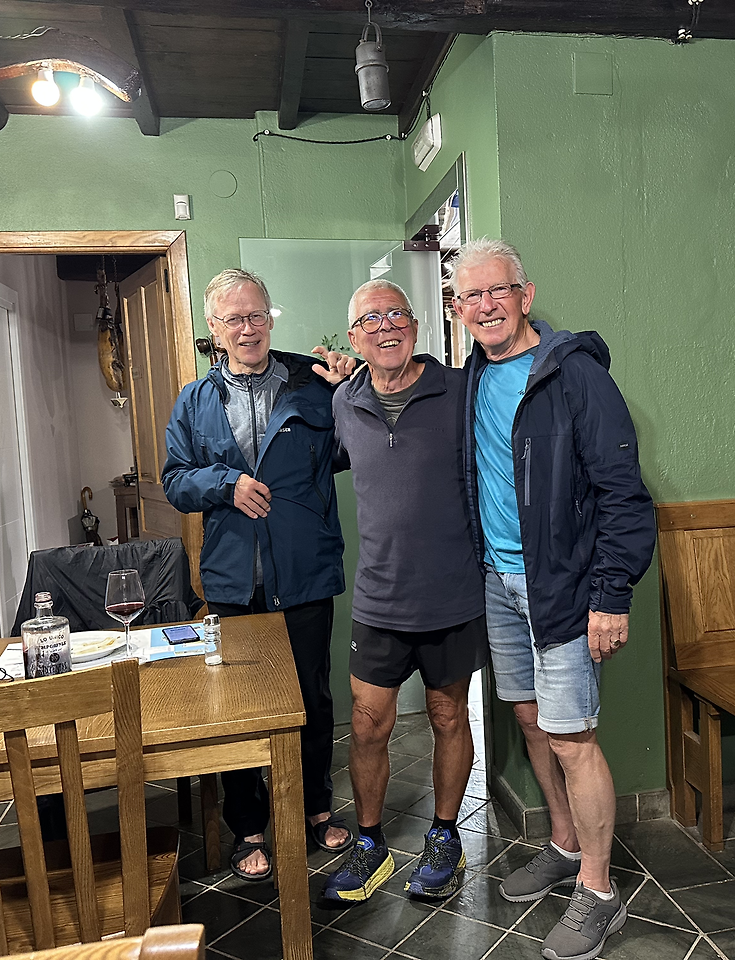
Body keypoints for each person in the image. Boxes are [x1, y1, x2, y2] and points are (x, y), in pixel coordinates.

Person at [452, 239, 656, 960]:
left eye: (497, 291)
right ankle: (565, 845)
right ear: (458, 308)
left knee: (573, 738)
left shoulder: (574, 374)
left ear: (525, 295)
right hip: (498, 583)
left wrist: (611, 595)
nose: (486, 306)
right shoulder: (472, 378)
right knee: (532, 721)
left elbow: (624, 493)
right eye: (471, 296)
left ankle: (598, 891)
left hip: (564, 589)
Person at [162, 268, 357, 882]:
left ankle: (315, 807)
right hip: (233, 580)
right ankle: (247, 825)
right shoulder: (194, 400)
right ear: (213, 328)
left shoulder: (314, 382)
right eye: (233, 319)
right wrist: (225, 484)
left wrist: (353, 388)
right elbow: (174, 480)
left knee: (312, 698)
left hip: (304, 572)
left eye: (256, 316)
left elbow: (352, 449)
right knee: (237, 707)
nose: (247, 329)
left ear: (270, 318)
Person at [321, 279, 487, 904]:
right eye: (371, 319)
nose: (386, 326)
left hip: (452, 593)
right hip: (379, 598)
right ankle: (371, 844)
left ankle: (445, 836)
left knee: (448, 716)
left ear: (416, 326)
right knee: (367, 725)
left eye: (397, 314)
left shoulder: (460, 390)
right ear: (354, 337)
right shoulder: (343, 402)